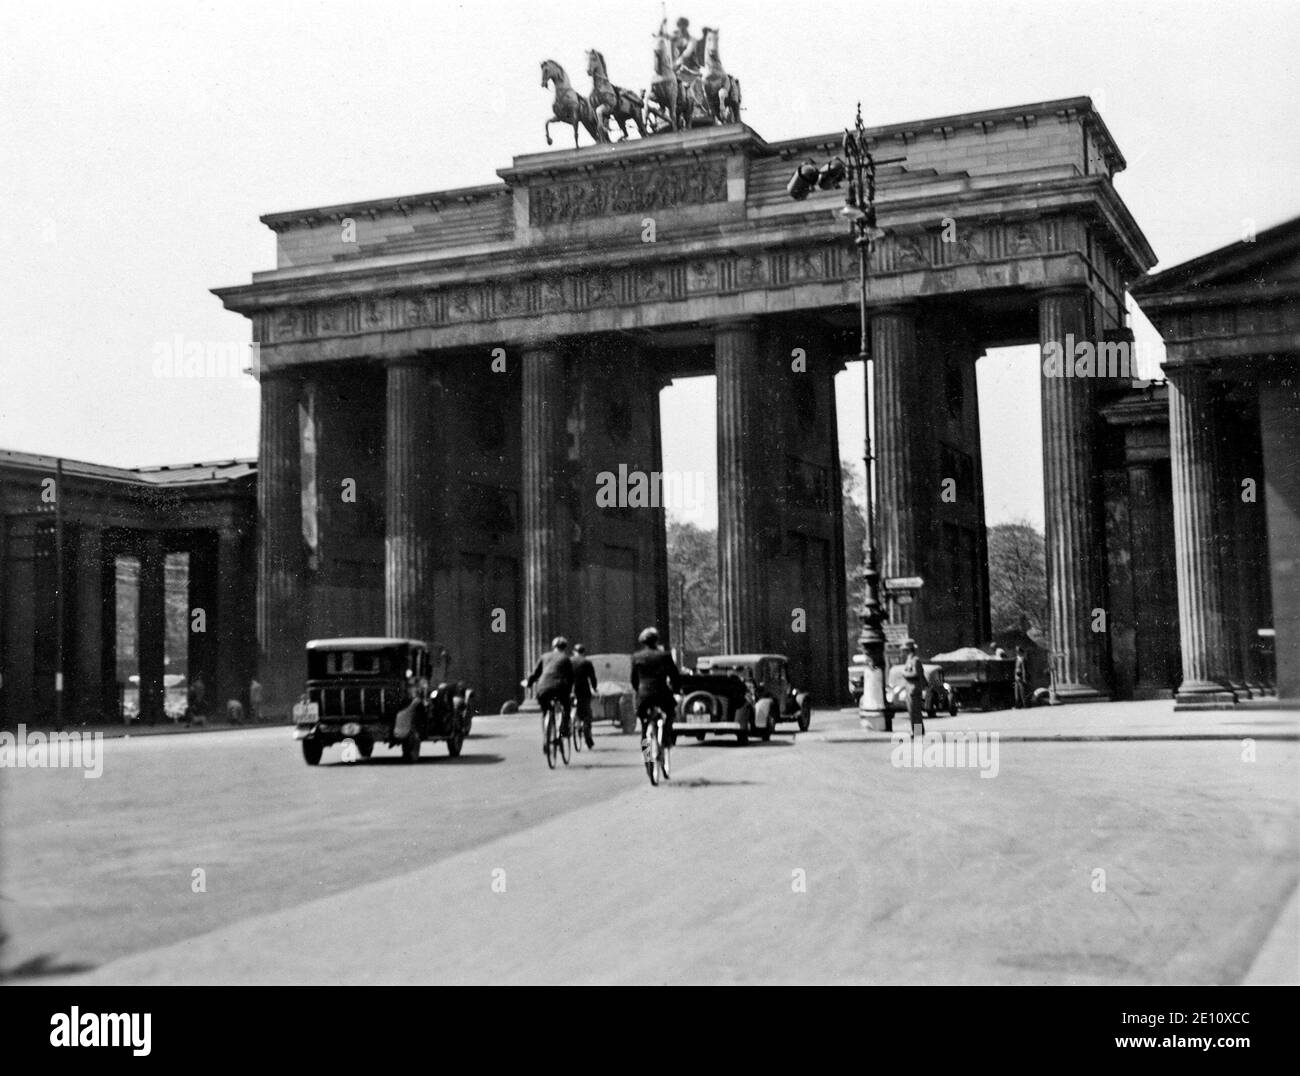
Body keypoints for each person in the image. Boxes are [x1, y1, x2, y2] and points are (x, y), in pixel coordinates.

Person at [631, 626, 681, 752]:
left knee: (644, 724)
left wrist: (638, 691)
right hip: (661, 693)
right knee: (670, 712)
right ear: (656, 640)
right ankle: (666, 738)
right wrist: (676, 691)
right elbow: (674, 676)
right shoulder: (664, 655)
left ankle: (647, 758)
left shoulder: (636, 657)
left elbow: (633, 679)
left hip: (644, 696)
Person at [527, 636, 574, 743]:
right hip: (559, 687)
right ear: (564, 647)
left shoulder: (544, 656)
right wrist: (570, 691)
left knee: (545, 710)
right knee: (566, 707)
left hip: (542, 688)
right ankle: (564, 729)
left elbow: (535, 674)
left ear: (553, 646)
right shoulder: (565, 658)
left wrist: (529, 684)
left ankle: (546, 735)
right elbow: (570, 678)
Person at [571, 643, 598, 749]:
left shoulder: (569, 661)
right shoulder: (587, 662)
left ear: (574, 652)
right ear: (583, 652)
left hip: (571, 690)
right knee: (587, 714)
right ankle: (588, 736)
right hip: (583, 691)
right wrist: (595, 687)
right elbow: (592, 678)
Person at [901, 639, 927, 736]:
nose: (903, 652)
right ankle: (918, 731)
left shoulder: (915, 660)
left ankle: (917, 731)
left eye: (904, 650)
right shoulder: (909, 660)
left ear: (908, 650)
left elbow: (917, 673)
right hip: (910, 689)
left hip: (914, 689)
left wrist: (905, 673)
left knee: (915, 712)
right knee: (912, 712)